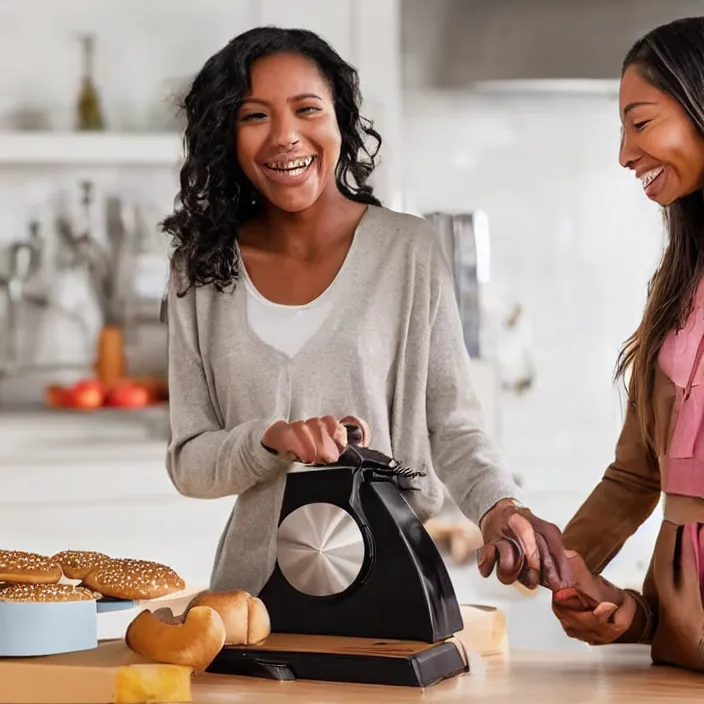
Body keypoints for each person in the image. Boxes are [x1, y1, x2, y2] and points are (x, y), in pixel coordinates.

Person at [161, 25, 569, 601]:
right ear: (225, 134)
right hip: (248, 603)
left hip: (390, 587)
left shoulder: (408, 250)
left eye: (307, 109)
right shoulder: (197, 271)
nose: (285, 136)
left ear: (339, 119)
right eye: (254, 116)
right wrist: (272, 438)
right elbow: (190, 461)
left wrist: (499, 507)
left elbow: (452, 424)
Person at [550, 17, 704, 672]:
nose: (624, 153)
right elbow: (638, 474)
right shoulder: (677, 285)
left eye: (640, 123)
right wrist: (567, 571)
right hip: (683, 651)